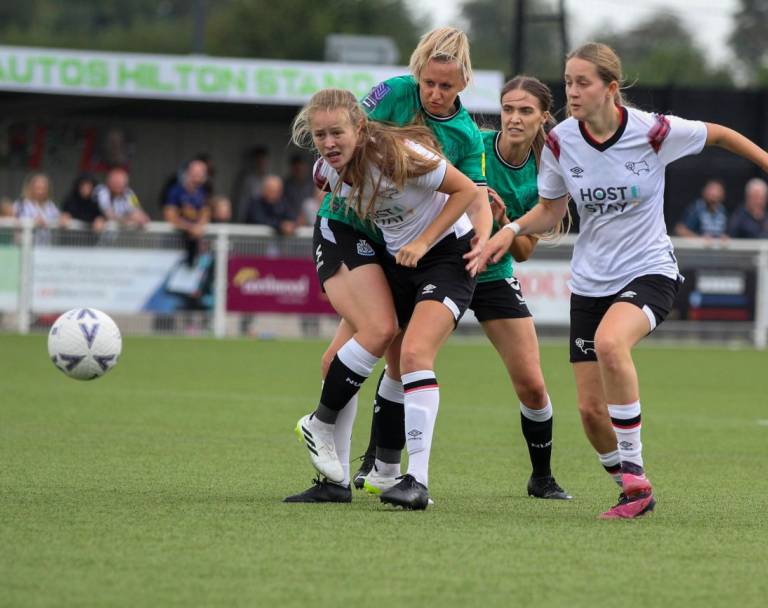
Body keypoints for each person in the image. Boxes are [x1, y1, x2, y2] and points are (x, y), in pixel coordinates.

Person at [478, 42, 768, 519]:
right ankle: (634, 490)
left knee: (613, 344)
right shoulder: (559, 142)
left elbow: (721, 135)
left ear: (611, 89)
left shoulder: (652, 132)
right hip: (591, 283)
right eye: (568, 81)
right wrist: (509, 228)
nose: (571, 91)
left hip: (650, 270)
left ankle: (635, 473)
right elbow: (551, 210)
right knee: (591, 414)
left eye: (582, 82)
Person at [284, 27, 491, 504]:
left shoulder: (418, 147)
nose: (331, 144)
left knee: (406, 354)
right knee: (356, 353)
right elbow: (338, 136)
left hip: (432, 253)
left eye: (447, 86)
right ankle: (343, 479)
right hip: (371, 243)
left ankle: (399, 475)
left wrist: (481, 237)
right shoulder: (383, 104)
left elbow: (471, 192)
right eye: (322, 137)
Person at [360, 76, 571, 501]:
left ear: (543, 118)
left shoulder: (548, 169)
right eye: (509, 108)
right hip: (438, 261)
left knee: (531, 383)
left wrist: (504, 220)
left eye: (525, 111)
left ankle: (542, 477)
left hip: (492, 273)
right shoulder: (476, 144)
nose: (514, 117)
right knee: (401, 360)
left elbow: (526, 249)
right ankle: (377, 460)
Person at [164, 159, 210, 266]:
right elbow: (170, 216)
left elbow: (205, 214)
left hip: (196, 245)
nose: (197, 176)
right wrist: (191, 228)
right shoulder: (175, 191)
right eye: (195, 173)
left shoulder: (203, 192)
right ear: (187, 172)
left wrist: (198, 227)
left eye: (201, 173)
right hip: (174, 244)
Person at [13, 173, 68, 244]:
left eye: (43, 188)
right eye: (37, 188)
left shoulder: (51, 205)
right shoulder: (20, 204)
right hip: (24, 246)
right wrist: (33, 222)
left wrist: (63, 218)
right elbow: (14, 221)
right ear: (31, 188)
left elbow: (57, 217)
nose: (40, 192)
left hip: (45, 247)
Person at [282, 154, 315, 226]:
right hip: (290, 222)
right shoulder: (285, 185)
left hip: (310, 222)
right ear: (292, 168)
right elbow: (282, 205)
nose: (299, 170)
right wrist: (294, 219)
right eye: (296, 168)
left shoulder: (313, 184)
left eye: (301, 167)